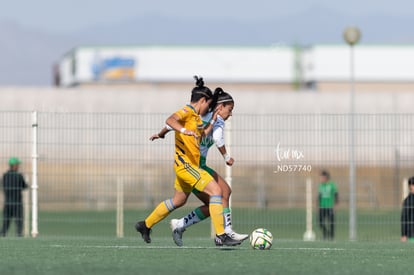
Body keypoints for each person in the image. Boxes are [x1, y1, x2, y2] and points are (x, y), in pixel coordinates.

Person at [135, 76, 241, 246]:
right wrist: (184, 130)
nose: (209, 108)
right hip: (186, 166)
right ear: (203, 100)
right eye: (208, 104)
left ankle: (145, 225)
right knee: (216, 192)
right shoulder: (187, 111)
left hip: (187, 166)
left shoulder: (197, 119)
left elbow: (201, 134)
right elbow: (171, 120)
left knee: (178, 201)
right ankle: (221, 234)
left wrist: (162, 134)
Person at [1, 157, 28, 237]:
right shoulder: (19, 175)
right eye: (18, 164)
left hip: (7, 202)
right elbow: (24, 186)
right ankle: (19, 235)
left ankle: (2, 234)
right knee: (19, 221)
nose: (18, 166)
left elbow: (3, 186)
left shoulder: (5, 175)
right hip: (17, 202)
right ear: (14, 165)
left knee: (6, 220)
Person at [318, 170, 338, 240]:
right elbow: (319, 196)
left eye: (322, 177)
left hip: (330, 206)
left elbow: (336, 194)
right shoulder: (321, 185)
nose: (321, 179)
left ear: (326, 177)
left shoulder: (331, 185)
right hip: (322, 206)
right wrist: (318, 205)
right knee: (320, 222)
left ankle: (332, 236)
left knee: (331, 222)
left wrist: (335, 205)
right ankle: (325, 233)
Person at [401, 176, 414, 242]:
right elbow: (404, 218)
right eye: (411, 185)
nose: (412, 187)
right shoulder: (408, 201)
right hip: (412, 234)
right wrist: (403, 234)